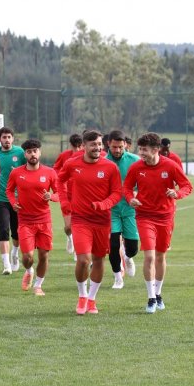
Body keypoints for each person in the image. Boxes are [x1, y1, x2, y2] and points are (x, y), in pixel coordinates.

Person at [123, 133, 193, 314]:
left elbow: (187, 186)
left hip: (165, 217)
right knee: (149, 257)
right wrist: (131, 199)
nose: (141, 153)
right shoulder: (136, 167)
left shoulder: (170, 166)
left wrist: (176, 193)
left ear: (156, 150)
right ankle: (151, 298)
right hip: (144, 216)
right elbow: (127, 187)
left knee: (161, 257)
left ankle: (159, 293)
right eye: (140, 150)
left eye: (144, 150)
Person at [58, 130, 122, 315]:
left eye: (100, 144)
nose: (97, 148)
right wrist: (65, 202)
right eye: (93, 144)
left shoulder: (110, 167)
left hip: (102, 221)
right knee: (83, 260)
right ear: (84, 146)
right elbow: (59, 182)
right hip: (80, 219)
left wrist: (103, 204)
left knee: (99, 259)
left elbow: (117, 192)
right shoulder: (72, 164)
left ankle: (92, 299)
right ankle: (82, 295)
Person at [6, 139, 59, 296]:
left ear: (39, 152)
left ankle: (38, 285)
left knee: (43, 255)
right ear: (25, 154)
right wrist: (14, 202)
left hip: (44, 220)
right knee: (27, 257)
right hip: (25, 221)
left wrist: (52, 196)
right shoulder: (16, 173)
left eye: (35, 151)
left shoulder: (50, 172)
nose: (32, 154)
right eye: (29, 152)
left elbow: (59, 193)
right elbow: (9, 191)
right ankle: (29, 271)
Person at [106, 130, 140, 289]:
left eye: (120, 146)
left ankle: (127, 257)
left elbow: (143, 184)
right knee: (113, 245)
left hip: (129, 210)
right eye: (114, 147)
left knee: (133, 248)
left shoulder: (135, 161)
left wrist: (137, 195)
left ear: (125, 144)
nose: (117, 150)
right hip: (110, 211)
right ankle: (118, 277)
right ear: (108, 145)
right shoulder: (103, 162)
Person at [0, 126, 26, 275]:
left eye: (9, 137)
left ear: (13, 139)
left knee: (17, 232)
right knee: (3, 229)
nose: (7, 140)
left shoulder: (20, 153)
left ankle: (15, 253)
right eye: (4, 137)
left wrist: (18, 172)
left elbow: (30, 168)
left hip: (18, 198)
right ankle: (6, 264)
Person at [53, 133, 83, 256]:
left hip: (80, 196)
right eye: (74, 147)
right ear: (70, 145)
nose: (77, 150)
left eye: (79, 147)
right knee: (69, 227)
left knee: (79, 224)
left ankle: (78, 250)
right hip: (66, 195)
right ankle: (69, 238)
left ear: (82, 145)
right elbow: (55, 169)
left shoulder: (85, 157)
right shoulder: (64, 156)